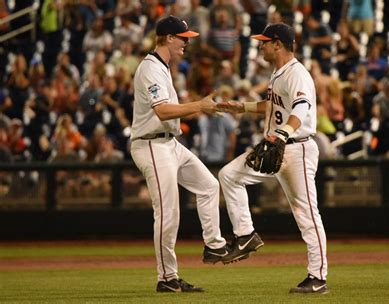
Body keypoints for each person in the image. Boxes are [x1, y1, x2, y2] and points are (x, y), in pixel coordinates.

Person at [217, 23, 329, 294]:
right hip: (278, 145)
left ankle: (318, 277)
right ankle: (246, 235)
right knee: (229, 175)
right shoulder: (279, 73)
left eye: (265, 42)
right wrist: (241, 107)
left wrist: (281, 134)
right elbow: (276, 106)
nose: (261, 45)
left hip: (296, 147)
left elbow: (301, 107)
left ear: (278, 44)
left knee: (306, 214)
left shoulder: (297, 74)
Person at [130, 15, 229, 293]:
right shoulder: (149, 68)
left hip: (170, 143)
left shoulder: (163, 67)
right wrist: (199, 106)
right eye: (183, 39)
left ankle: (214, 246)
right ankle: (167, 278)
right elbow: (161, 110)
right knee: (168, 212)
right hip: (150, 144)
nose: (186, 43)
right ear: (169, 38)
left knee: (209, 186)